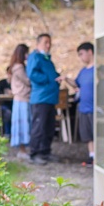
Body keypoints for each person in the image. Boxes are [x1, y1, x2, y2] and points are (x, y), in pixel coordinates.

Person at [27, 33, 62, 165]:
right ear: (38, 43)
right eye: (45, 42)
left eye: (49, 42)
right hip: (40, 98)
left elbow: (50, 73)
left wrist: (56, 77)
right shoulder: (35, 57)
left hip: (50, 98)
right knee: (38, 127)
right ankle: (34, 153)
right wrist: (49, 79)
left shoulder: (47, 59)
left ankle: (45, 151)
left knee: (49, 127)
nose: (48, 45)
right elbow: (32, 74)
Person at [65, 42, 97, 165]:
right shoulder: (83, 71)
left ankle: (98, 156)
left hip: (94, 108)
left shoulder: (98, 69)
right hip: (83, 108)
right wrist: (66, 79)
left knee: (96, 134)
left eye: (81, 54)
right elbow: (76, 84)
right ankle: (92, 156)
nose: (80, 57)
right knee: (87, 135)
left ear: (90, 52)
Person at [7, 44, 31, 159]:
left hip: (19, 99)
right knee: (24, 125)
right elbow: (28, 81)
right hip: (22, 99)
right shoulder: (19, 68)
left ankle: (23, 150)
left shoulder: (14, 67)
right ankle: (22, 151)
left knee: (22, 125)